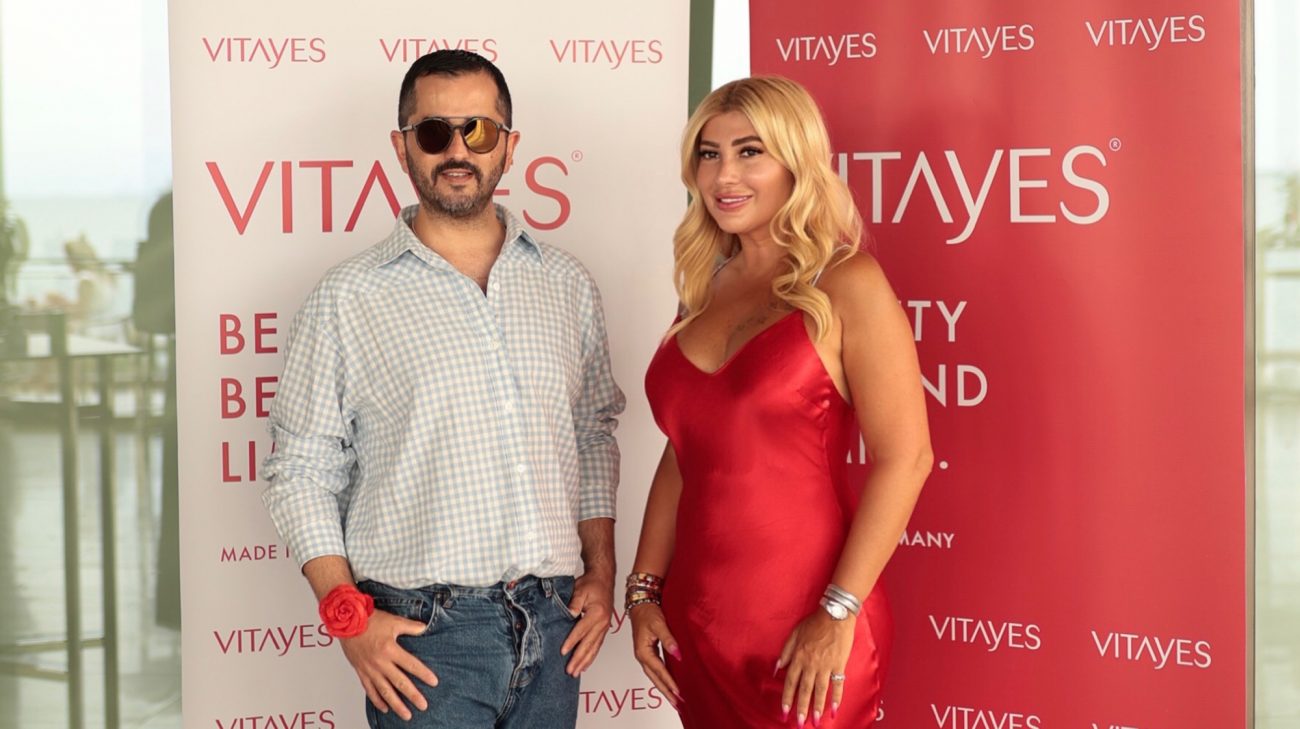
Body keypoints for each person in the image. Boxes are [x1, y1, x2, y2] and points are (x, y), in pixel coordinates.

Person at [262, 50, 625, 729]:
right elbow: (301, 469)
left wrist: (601, 572)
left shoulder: (567, 285)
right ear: (402, 147)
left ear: (509, 146)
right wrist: (349, 619)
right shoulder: (346, 298)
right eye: (434, 132)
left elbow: (592, 435)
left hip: (554, 626)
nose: (458, 150)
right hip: (426, 640)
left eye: (478, 131)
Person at [627, 76, 933, 728]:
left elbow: (906, 458)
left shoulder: (848, 281)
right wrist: (644, 588)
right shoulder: (702, 289)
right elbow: (685, 451)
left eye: (750, 152)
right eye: (709, 154)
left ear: (796, 160)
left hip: (810, 633)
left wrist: (838, 611)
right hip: (699, 624)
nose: (724, 176)